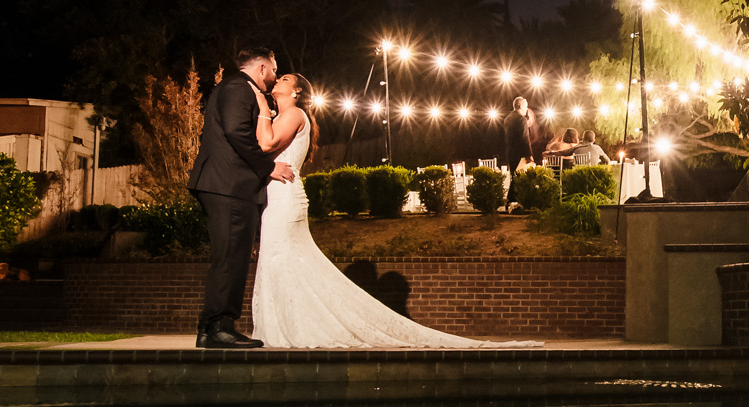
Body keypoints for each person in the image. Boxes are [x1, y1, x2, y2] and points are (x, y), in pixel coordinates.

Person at [246, 72, 537, 348]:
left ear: (297, 91)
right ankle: (287, 324)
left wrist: (260, 108)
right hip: (279, 196)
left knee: (282, 258)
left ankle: (291, 326)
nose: (278, 79)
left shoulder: (294, 114)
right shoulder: (283, 116)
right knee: (283, 261)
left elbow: (266, 142)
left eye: (284, 78)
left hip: (284, 198)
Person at [187, 47, 296, 349]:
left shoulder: (234, 88)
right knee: (232, 257)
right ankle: (220, 327)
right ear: (262, 68)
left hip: (224, 185)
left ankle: (210, 329)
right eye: (274, 70)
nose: (274, 77)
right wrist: (267, 167)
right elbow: (237, 132)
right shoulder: (238, 88)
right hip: (229, 186)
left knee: (228, 256)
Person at [505, 97, 537, 169]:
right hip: (520, 156)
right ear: (521, 106)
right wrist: (529, 155)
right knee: (522, 178)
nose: (526, 109)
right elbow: (524, 138)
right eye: (526, 106)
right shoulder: (521, 119)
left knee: (513, 177)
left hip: (510, 155)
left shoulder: (507, 119)